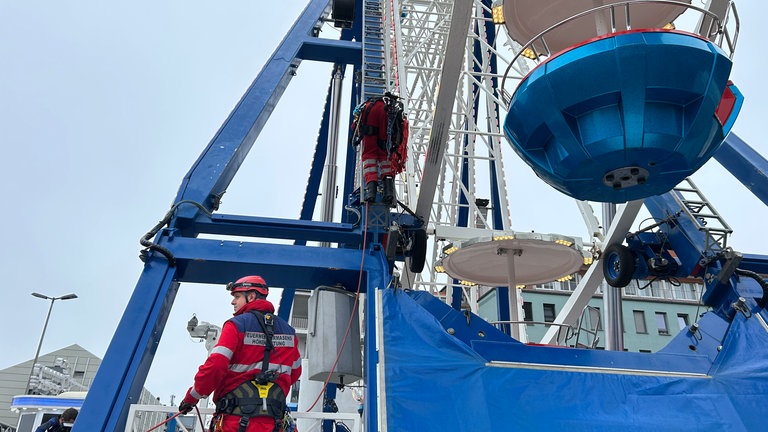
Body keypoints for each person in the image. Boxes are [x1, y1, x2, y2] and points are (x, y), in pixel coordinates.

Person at [180, 275, 302, 432]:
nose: (233, 302)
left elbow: (215, 366)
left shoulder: (235, 325)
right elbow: (295, 373)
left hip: (235, 421)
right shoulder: (289, 332)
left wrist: (192, 398)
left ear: (251, 297)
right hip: (274, 422)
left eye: (237, 297)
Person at [351, 92, 409, 206]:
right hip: (385, 114)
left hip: (370, 115)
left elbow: (355, 126)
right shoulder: (389, 106)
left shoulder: (366, 105)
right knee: (385, 156)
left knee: (369, 157)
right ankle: (388, 193)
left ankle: (371, 193)